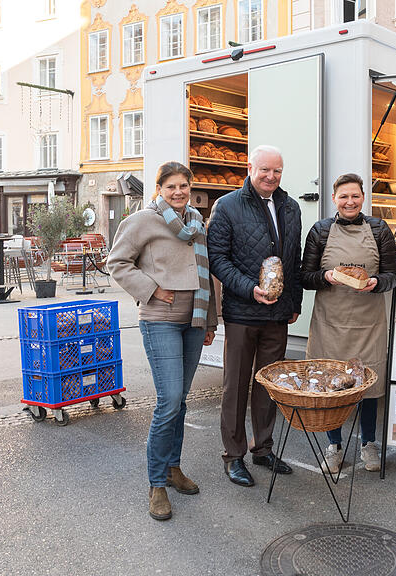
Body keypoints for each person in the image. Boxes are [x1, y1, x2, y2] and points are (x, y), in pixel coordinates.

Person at [107, 161, 216, 521]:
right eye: (171, 186)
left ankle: (173, 468)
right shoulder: (143, 220)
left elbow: (207, 274)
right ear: (159, 189)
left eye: (183, 186)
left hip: (194, 320)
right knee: (168, 401)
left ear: (190, 188)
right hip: (160, 320)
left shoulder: (197, 222)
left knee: (180, 401)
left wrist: (210, 321)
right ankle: (156, 484)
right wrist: (151, 289)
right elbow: (117, 262)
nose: (178, 192)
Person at [207, 145, 303, 487]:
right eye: (265, 170)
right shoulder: (227, 205)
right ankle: (233, 455)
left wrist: (294, 302)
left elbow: (294, 259)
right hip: (242, 312)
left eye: (277, 171)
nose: (271, 176)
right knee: (235, 386)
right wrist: (249, 288)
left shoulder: (290, 207)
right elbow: (217, 258)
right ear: (250, 168)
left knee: (269, 384)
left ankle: (262, 448)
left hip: (277, 313)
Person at [301, 173, 396, 473]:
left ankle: (369, 443)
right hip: (330, 323)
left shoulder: (379, 229)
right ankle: (335, 446)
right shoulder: (320, 231)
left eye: (355, 196)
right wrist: (325, 276)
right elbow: (305, 277)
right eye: (344, 196)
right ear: (334, 199)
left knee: (368, 385)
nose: (350, 201)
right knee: (332, 385)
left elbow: (392, 275)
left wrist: (376, 282)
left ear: (363, 198)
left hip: (368, 324)